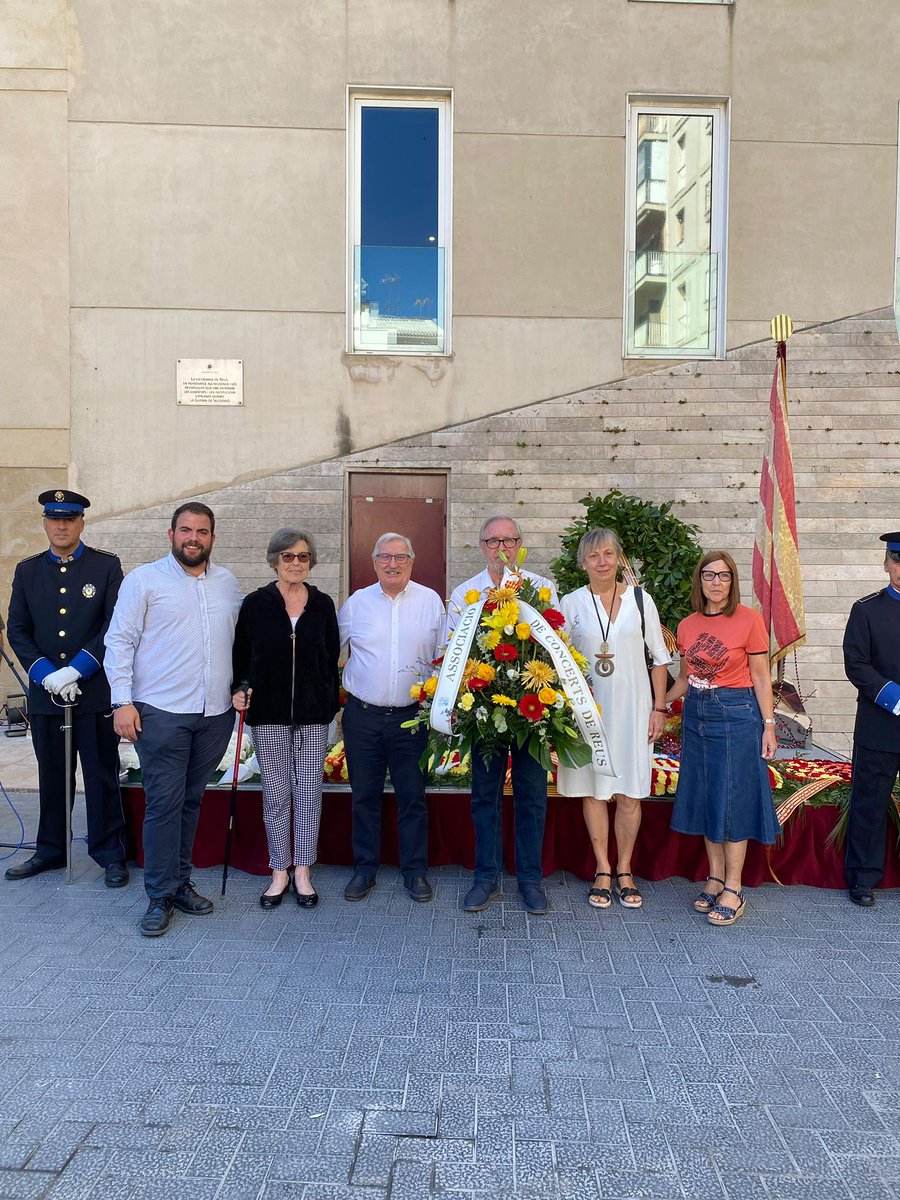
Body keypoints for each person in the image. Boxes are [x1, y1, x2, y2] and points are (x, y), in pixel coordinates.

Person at [104, 503, 241, 936]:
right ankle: (159, 895)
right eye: (186, 530)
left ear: (213, 538)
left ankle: (180, 882)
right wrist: (121, 701)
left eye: (202, 531)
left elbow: (238, 643)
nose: (193, 538)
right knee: (164, 804)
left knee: (192, 799)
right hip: (162, 712)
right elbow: (120, 641)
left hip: (214, 713)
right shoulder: (144, 580)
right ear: (171, 534)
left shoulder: (227, 583)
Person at [5, 489, 127, 886]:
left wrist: (76, 670)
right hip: (46, 695)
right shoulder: (27, 571)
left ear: (81, 523)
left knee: (100, 773)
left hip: (92, 692)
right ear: (44, 523)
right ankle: (51, 850)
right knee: (53, 775)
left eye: (69, 519)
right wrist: (46, 674)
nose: (61, 525)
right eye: (54, 518)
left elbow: (113, 627)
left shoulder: (106, 567)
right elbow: (19, 631)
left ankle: (110, 852)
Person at [447, 514, 560, 915]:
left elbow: (556, 649)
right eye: (493, 542)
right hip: (482, 712)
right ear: (481, 547)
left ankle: (530, 880)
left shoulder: (542, 590)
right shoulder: (465, 594)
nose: (501, 548)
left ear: (520, 544)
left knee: (532, 797)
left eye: (508, 541)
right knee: (485, 796)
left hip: (532, 708)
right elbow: (453, 656)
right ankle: (485, 877)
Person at [556, 528, 671, 910]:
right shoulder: (570, 603)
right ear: (583, 563)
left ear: (620, 558)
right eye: (593, 556)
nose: (602, 562)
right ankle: (602, 869)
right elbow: (558, 658)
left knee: (629, 791)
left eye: (608, 554)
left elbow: (659, 657)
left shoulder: (642, 599)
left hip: (634, 710)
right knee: (593, 789)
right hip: (588, 711)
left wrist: (659, 707)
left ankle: (625, 869)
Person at [667, 550, 778, 926]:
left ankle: (734, 887)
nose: (716, 582)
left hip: (736, 714)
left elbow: (762, 677)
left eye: (724, 576)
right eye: (709, 575)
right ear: (699, 581)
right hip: (697, 714)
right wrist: (653, 703)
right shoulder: (686, 625)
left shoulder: (749, 621)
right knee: (707, 796)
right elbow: (683, 680)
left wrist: (768, 724)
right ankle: (715, 878)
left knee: (731, 799)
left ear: (733, 582)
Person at [231, 528, 340, 909]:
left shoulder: (323, 604)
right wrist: (240, 687)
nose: (296, 563)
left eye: (303, 557)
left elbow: (330, 658)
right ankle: (280, 869)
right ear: (275, 559)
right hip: (270, 713)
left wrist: (329, 703)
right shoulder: (256, 604)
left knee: (309, 793)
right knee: (276, 793)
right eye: (288, 556)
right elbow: (241, 656)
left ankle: (304, 871)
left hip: (313, 715)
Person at [338, 533, 444, 903]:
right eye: (385, 557)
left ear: (412, 561)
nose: (393, 563)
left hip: (411, 719)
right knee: (364, 796)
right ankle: (364, 870)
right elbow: (329, 651)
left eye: (400, 557)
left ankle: (414, 871)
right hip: (362, 717)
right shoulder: (356, 604)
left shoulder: (431, 602)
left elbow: (443, 657)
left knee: (412, 797)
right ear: (374, 562)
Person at [842, 531, 900, 908]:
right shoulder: (867, 609)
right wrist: (895, 697)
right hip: (881, 723)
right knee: (870, 802)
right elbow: (857, 664)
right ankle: (863, 878)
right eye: (897, 560)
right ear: (886, 564)